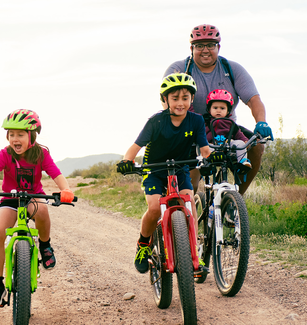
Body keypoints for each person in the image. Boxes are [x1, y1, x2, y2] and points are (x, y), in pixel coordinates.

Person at [0, 109, 74, 307]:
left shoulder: (41, 154)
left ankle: (45, 245)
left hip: (34, 197)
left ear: (31, 136)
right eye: (11, 134)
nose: (15, 139)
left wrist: (65, 190)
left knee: (42, 210)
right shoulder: (5, 154)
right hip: (10, 199)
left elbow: (56, 174)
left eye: (20, 134)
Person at [116, 73, 213, 274]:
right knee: (153, 208)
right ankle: (143, 245)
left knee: (189, 203)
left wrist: (212, 159)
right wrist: (127, 161)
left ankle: (194, 253)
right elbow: (135, 147)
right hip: (154, 169)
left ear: (192, 99)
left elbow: (204, 148)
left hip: (181, 168)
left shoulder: (195, 121)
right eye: (175, 98)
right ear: (165, 100)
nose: (180, 103)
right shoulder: (156, 121)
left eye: (185, 98)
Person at [163, 24, 273, 195]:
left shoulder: (232, 69)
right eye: (199, 45)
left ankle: (236, 199)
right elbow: (167, 102)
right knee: (189, 186)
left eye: (210, 45)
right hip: (191, 129)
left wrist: (262, 122)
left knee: (257, 145)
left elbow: (253, 99)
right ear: (192, 48)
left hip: (225, 127)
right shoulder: (179, 70)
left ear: (218, 47)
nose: (205, 50)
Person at [205, 89, 252, 169]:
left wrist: (244, 140)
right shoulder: (206, 121)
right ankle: (204, 163)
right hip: (212, 146)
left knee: (240, 143)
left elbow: (238, 133)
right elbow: (201, 133)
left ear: (228, 111)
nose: (218, 110)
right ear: (209, 109)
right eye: (215, 108)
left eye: (222, 108)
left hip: (227, 146)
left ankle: (242, 162)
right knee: (202, 146)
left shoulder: (230, 123)